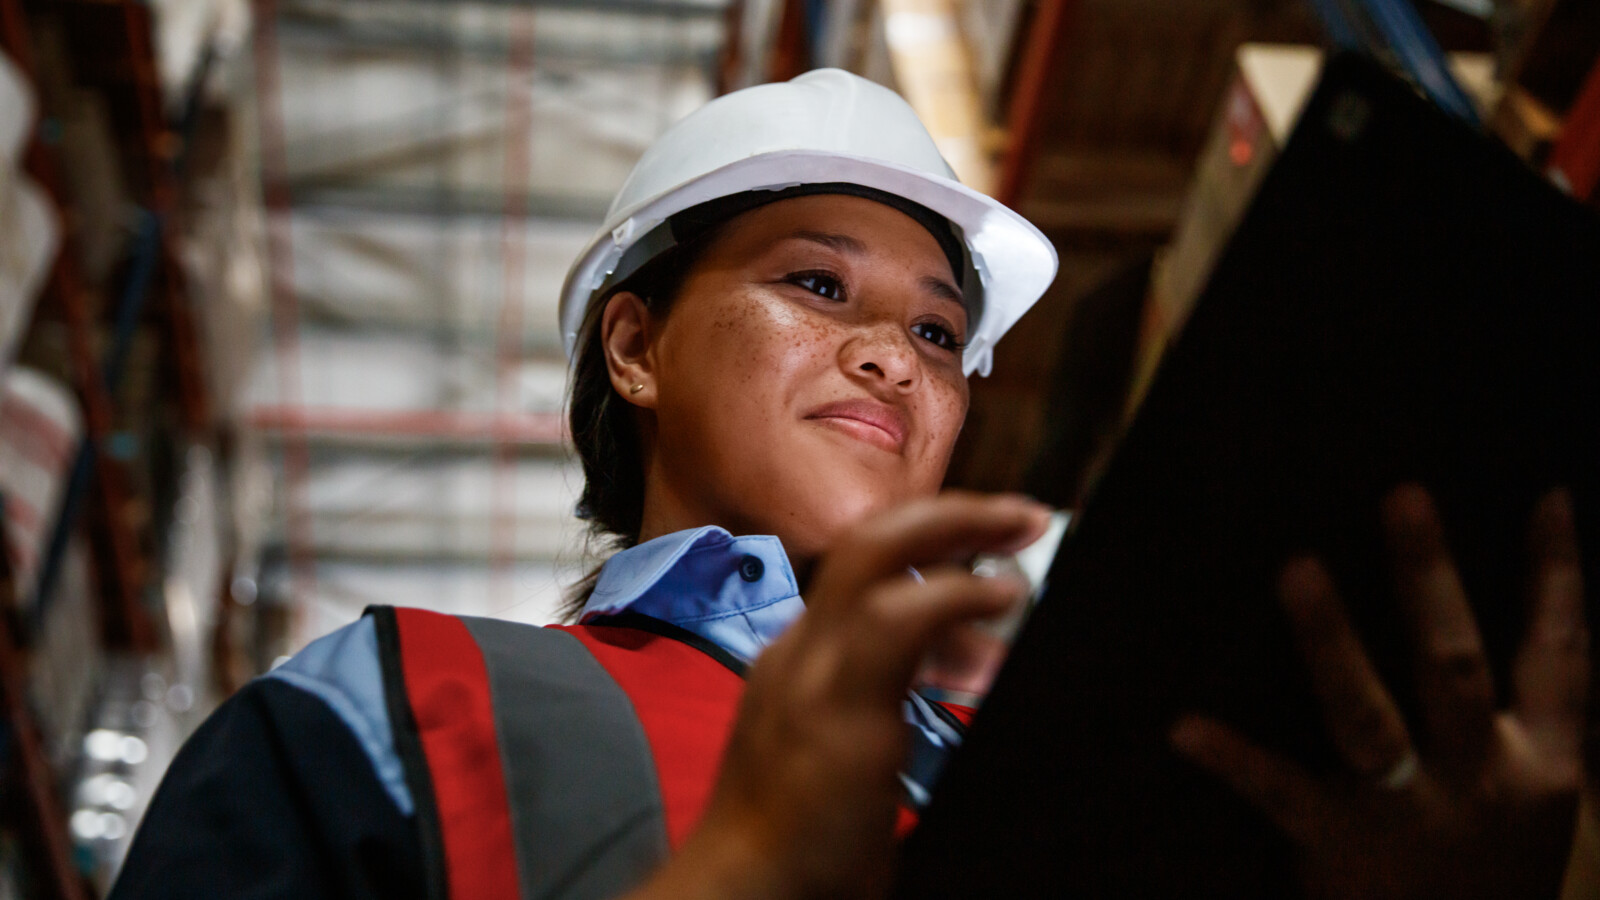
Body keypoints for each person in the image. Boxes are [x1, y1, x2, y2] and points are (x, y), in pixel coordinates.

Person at [108, 69, 1590, 900]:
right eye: (817, 284)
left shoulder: (1109, 759)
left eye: (940, 334)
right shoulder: (395, 704)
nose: (894, 357)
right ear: (635, 346)